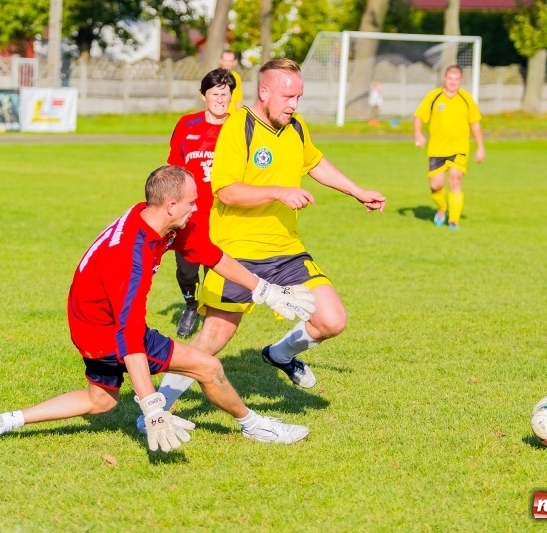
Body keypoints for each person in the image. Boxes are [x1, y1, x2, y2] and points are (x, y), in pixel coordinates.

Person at [0, 166, 316, 452]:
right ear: (170, 205)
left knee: (99, 400)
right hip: (104, 329)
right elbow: (129, 336)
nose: (197, 207)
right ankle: (254, 425)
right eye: (192, 202)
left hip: (85, 322)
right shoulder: (130, 258)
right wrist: (151, 406)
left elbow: (211, 254)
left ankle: (2, 422)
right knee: (208, 366)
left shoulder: (153, 216)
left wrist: (263, 289)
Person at [153, 58, 386, 414]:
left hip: (286, 250)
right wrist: (278, 191)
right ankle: (157, 407)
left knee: (331, 319)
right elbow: (226, 191)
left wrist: (357, 191)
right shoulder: (237, 127)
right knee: (212, 339)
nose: (293, 104)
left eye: (298, 97)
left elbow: (315, 162)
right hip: (236, 251)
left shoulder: (296, 126)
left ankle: (279, 354)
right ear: (264, 91)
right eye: (287, 96)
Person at [169, 68, 237, 337]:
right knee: (186, 270)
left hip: (225, 213)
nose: (221, 99)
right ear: (204, 96)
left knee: (217, 268)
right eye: (215, 94)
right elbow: (174, 167)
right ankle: (190, 304)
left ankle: (211, 317)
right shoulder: (187, 124)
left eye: (225, 94)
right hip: (191, 214)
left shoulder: (238, 126)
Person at [412, 65, 485, 230]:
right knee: (435, 185)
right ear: (445, 78)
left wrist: (480, 147)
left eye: (456, 79)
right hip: (437, 149)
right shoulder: (434, 96)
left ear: (461, 80)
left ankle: (453, 220)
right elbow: (418, 117)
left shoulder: (466, 98)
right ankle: (442, 208)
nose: (453, 82)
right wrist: (418, 134)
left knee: (455, 178)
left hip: (459, 148)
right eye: (450, 78)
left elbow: (475, 124)